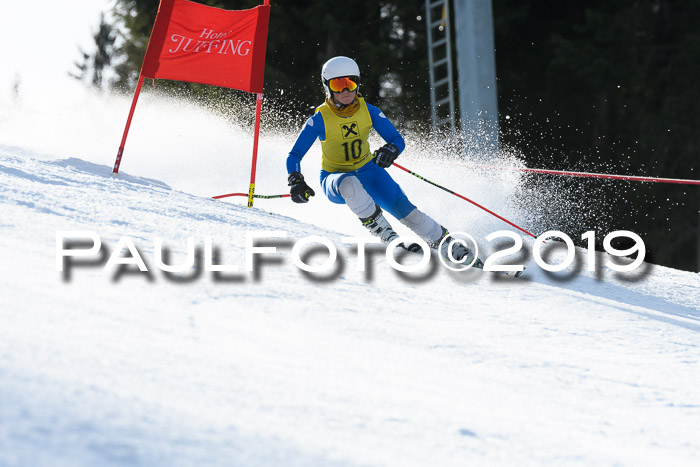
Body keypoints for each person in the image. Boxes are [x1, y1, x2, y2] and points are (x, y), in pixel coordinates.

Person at [286, 56, 480, 265]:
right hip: (335, 180)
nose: (345, 91)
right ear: (327, 87)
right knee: (350, 183)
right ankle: (388, 235)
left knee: (408, 212)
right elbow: (294, 155)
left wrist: (391, 150)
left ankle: (449, 245)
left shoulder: (369, 111)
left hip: (369, 172)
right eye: (338, 85)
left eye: (350, 83)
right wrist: (296, 179)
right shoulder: (319, 119)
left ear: (357, 83)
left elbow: (397, 139)